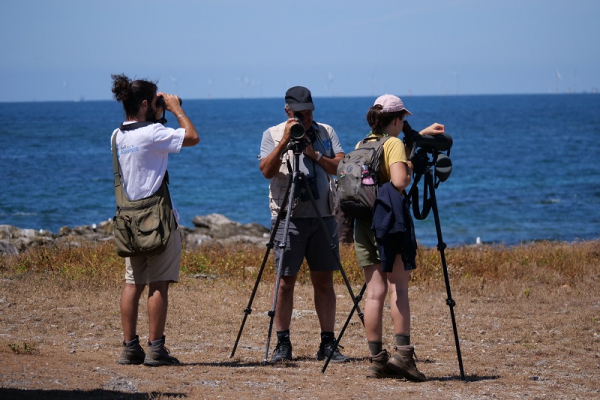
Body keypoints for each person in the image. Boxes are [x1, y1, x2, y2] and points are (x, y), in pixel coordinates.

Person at [110, 74, 199, 366]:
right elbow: (192, 137)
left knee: (132, 283)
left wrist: (158, 116)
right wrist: (175, 109)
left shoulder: (118, 135)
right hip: (157, 220)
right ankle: (156, 349)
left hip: (129, 220)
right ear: (147, 103)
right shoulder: (152, 135)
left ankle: (129, 347)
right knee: (158, 283)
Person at [354, 94, 444, 380]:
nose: (404, 124)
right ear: (395, 120)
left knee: (374, 293)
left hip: (364, 223)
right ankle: (404, 355)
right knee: (399, 290)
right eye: (403, 119)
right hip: (388, 223)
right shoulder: (393, 144)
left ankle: (376, 359)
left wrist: (421, 134)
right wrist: (412, 165)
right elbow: (399, 181)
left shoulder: (362, 144)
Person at [258, 86, 348, 363]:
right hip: (288, 217)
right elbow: (266, 170)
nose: (306, 118)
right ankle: (283, 343)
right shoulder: (272, 134)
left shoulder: (326, 132)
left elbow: (341, 168)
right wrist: (285, 141)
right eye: (299, 114)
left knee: (324, 281)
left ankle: (328, 343)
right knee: (285, 282)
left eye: (309, 112)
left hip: (323, 216)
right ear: (288, 112)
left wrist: (315, 154)